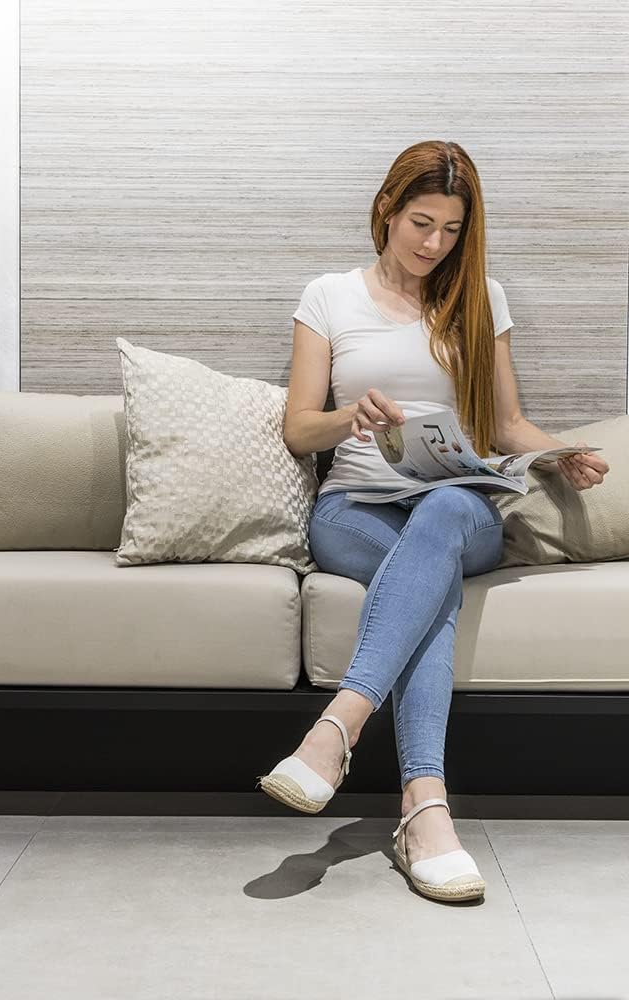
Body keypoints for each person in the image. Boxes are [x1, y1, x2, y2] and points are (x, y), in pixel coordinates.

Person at [256, 139, 610, 903]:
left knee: (447, 510)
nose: (434, 244)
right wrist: (350, 416)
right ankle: (424, 811)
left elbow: (507, 424)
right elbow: (296, 429)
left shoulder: (481, 296)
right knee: (429, 595)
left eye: (451, 229)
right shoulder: (327, 296)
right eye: (421, 222)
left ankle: (336, 730)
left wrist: (560, 454)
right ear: (386, 208)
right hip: (354, 509)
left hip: (457, 506)